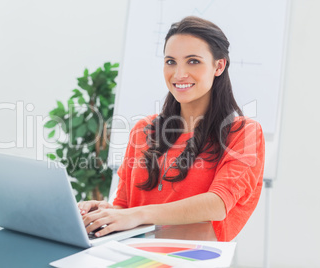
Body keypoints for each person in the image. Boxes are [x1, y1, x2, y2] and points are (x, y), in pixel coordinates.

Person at [78, 16, 265, 242]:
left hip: (190, 257)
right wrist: (103, 214)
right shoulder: (143, 130)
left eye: (193, 61)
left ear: (219, 65)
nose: (178, 74)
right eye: (171, 61)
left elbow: (218, 204)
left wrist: (137, 214)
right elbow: (125, 206)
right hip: (130, 253)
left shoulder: (243, 133)